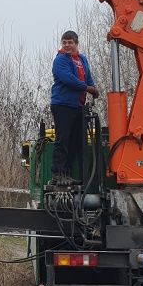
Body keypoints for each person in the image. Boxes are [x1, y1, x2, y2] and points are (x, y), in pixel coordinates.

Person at [50, 30, 99, 185]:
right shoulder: (60, 60)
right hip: (63, 105)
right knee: (63, 139)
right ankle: (59, 173)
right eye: (64, 42)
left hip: (78, 106)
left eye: (70, 42)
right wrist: (87, 88)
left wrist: (93, 88)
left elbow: (87, 76)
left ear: (76, 44)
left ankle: (68, 173)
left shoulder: (82, 60)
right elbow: (68, 79)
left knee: (76, 141)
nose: (67, 45)